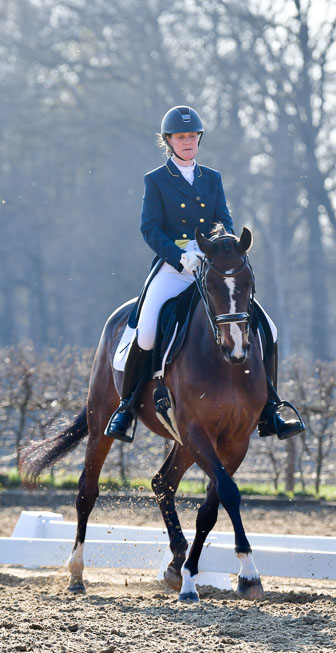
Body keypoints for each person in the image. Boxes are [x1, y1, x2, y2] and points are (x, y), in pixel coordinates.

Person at [105, 105, 305, 443]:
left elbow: (223, 220)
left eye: (192, 136)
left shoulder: (212, 178)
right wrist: (179, 255)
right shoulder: (156, 180)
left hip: (211, 267)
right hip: (174, 268)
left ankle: (271, 408)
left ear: (199, 139)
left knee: (267, 328)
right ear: (169, 141)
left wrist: (219, 248)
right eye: (180, 137)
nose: (187, 142)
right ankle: (126, 408)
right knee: (147, 331)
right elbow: (150, 229)